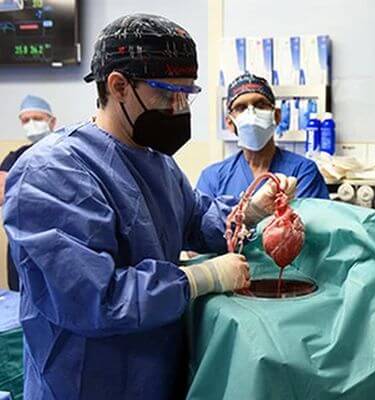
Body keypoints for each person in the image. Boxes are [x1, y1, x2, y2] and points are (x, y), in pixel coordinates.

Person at [2, 14, 296, 400]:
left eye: (186, 94)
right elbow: (92, 298)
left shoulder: (157, 162)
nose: (178, 107)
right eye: (168, 93)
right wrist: (198, 278)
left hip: (155, 375)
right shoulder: (51, 172)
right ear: (119, 86)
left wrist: (248, 212)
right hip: (85, 383)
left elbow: (196, 219)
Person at [196, 72, 329, 199]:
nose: (251, 114)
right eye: (241, 108)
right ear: (230, 123)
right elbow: (204, 215)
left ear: (276, 116)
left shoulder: (302, 171)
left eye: (260, 105)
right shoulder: (213, 178)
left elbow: (307, 214)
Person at [1, 95, 57, 291]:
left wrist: (19, 188)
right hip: (21, 242)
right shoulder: (16, 157)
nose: (31, 124)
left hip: (57, 241)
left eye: (37, 118)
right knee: (22, 294)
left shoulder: (66, 151)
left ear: (52, 121)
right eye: (26, 120)